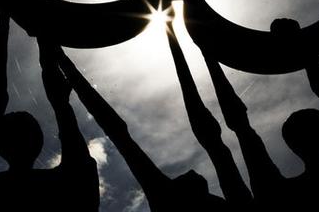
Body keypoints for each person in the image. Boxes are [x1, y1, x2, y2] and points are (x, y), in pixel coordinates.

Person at [203, 14, 319, 211]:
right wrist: (307, 47)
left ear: (290, 142)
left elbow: (241, 128)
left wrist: (209, 55)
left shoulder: (277, 195)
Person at [52, 40, 240, 212]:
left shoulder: (166, 196)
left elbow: (114, 128)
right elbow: (219, 149)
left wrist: (63, 65)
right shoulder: (170, 195)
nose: (191, 171)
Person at [0, 14, 99, 211]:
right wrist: (61, 105)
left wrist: (3, 22)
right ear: (37, 140)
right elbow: (77, 154)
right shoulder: (68, 187)